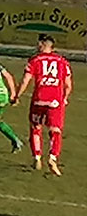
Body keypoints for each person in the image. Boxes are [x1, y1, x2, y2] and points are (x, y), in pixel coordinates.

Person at [25, 34, 73, 176]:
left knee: (35, 128)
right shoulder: (63, 62)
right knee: (55, 130)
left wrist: (16, 95)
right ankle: (53, 158)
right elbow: (68, 85)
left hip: (39, 100)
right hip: (55, 101)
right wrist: (65, 98)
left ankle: (37, 157)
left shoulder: (35, 60)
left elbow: (26, 80)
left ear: (42, 44)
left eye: (38, 43)